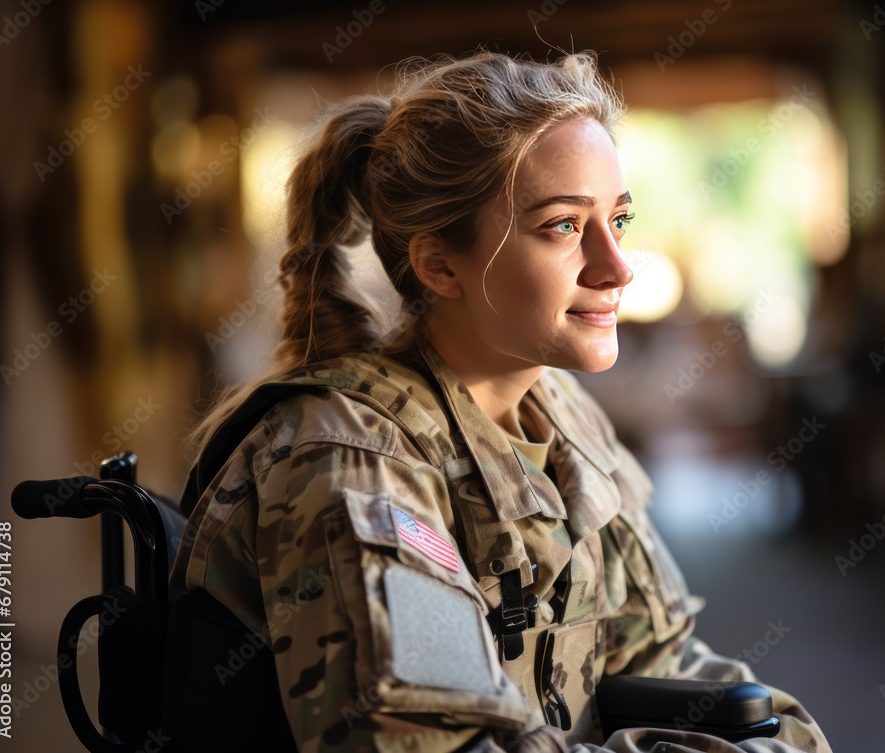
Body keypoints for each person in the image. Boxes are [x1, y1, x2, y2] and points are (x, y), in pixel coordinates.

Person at [170, 51, 833, 752]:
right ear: (438, 265)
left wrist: (777, 734)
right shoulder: (348, 455)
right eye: (562, 227)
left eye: (619, 219)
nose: (617, 267)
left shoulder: (563, 413)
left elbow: (657, 659)